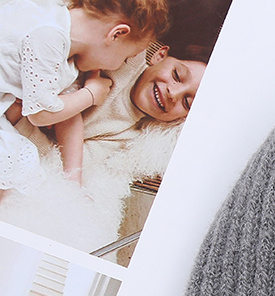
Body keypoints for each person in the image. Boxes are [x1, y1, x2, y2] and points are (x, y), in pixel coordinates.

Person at [0, 0, 170, 198]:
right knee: (14, 171)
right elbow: (40, 114)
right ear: (117, 34)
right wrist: (90, 95)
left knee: (18, 173)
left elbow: (68, 115)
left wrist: (74, 183)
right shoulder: (48, 34)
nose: (118, 66)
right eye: (125, 57)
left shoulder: (69, 58)